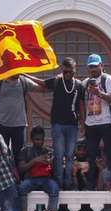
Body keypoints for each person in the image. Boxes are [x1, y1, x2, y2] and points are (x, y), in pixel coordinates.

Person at [25, 58, 85, 189]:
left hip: (72, 125)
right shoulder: (57, 81)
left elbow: (81, 105)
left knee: (69, 155)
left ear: (75, 71)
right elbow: (42, 83)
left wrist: (83, 123)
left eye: (70, 71)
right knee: (58, 155)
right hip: (57, 124)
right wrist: (24, 74)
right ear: (62, 70)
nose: (68, 74)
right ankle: (58, 183)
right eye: (65, 71)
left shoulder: (79, 85)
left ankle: (68, 183)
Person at [82, 54, 111, 191]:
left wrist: (100, 93)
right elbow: (81, 102)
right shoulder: (86, 82)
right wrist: (83, 122)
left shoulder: (108, 79)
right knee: (92, 155)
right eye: (91, 67)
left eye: (95, 66)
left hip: (106, 122)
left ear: (101, 66)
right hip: (90, 123)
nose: (93, 69)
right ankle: (91, 185)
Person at [0, 74, 36, 160]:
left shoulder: (23, 81)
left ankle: (18, 174)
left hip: (19, 126)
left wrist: (58, 81)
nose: (19, 73)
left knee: (19, 156)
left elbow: (42, 88)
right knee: (1, 155)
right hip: (1, 126)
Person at [17, 126, 59, 211]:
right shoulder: (25, 150)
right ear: (32, 139)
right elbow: (21, 169)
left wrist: (51, 163)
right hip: (30, 179)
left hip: (46, 179)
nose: (39, 142)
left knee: (55, 188)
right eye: (36, 139)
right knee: (22, 188)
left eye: (41, 139)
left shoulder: (48, 151)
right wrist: (35, 161)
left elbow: (54, 171)